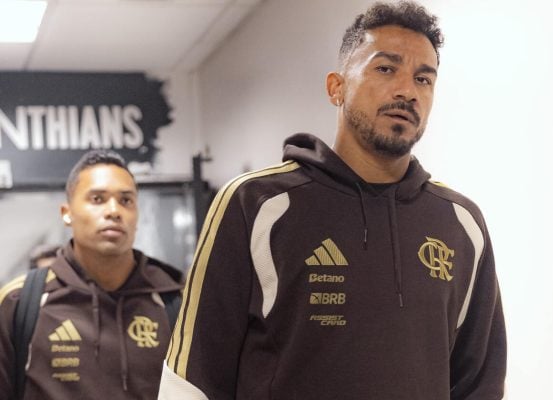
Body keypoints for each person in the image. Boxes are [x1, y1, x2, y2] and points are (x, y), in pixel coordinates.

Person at [160, 1, 506, 399]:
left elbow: (480, 384)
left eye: (423, 79)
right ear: (336, 88)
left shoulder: (460, 223)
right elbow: (191, 379)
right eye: (386, 68)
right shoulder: (255, 204)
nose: (407, 91)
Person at [0, 150, 183, 400]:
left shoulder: (175, 301)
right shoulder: (20, 303)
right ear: (66, 212)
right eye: (98, 199)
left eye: (126, 200)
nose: (114, 211)